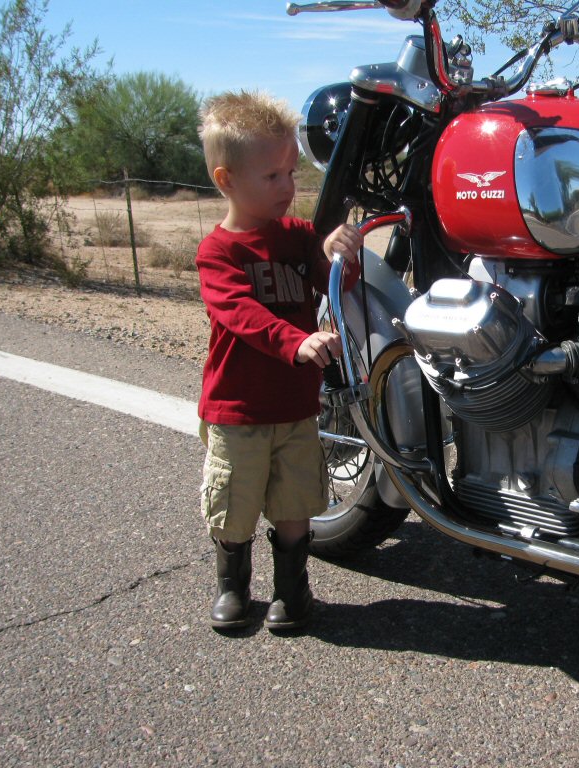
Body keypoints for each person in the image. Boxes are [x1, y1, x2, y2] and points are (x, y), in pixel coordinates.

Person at [195, 90, 362, 631]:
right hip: (237, 409)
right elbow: (238, 314)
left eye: (292, 172)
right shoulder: (218, 253)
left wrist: (341, 256)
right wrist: (296, 342)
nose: (289, 188)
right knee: (235, 506)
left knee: (294, 504)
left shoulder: (296, 237)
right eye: (272, 177)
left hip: (294, 408)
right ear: (227, 181)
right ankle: (233, 588)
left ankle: (292, 592)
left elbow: (335, 284)